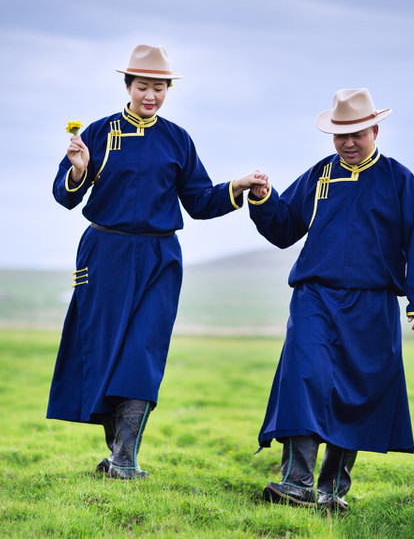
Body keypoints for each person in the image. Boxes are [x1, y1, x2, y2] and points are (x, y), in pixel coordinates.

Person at [47, 44, 263, 480]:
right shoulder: (97, 133)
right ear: (127, 86)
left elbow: (199, 201)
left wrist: (236, 187)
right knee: (106, 353)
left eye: (159, 88)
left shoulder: (177, 139)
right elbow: (64, 196)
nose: (151, 95)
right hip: (104, 254)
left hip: (160, 258)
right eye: (143, 86)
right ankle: (117, 454)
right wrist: (79, 170)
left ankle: (125, 460)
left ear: (168, 90)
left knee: (142, 353)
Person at [247, 88, 414, 511]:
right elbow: (283, 228)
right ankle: (296, 482)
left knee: (358, 390)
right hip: (314, 297)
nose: (348, 143)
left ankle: (332, 488)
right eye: (340, 135)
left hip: (373, 305)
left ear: (374, 130)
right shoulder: (319, 175)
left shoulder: (399, 180)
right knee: (304, 376)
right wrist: (262, 200)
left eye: (357, 133)